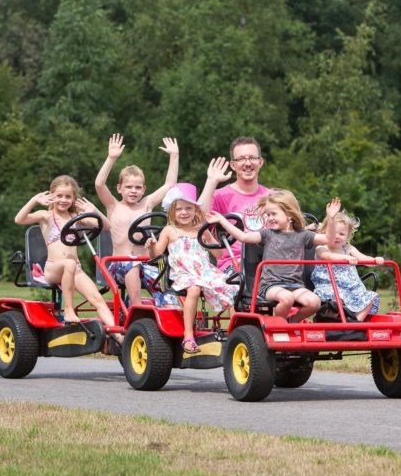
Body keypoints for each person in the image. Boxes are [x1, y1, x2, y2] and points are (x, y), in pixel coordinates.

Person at [14, 175, 122, 343]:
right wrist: (34, 200)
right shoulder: (46, 216)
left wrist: (94, 210)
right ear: (52, 195)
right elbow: (19, 219)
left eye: (68, 196)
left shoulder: (76, 218)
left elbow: (106, 226)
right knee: (69, 263)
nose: (63, 200)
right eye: (59, 196)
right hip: (53, 268)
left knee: (98, 300)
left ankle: (119, 336)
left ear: (73, 198)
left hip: (75, 269)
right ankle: (69, 310)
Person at [208, 190, 338, 322]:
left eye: (274, 214)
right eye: (268, 214)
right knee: (287, 298)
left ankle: (290, 323)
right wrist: (222, 220)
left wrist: (331, 219)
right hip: (271, 285)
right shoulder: (267, 234)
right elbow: (243, 237)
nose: (269, 218)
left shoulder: (303, 235)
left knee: (314, 302)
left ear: (289, 215)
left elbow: (329, 239)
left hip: (295, 285)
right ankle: (278, 325)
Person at [145, 183, 238, 354]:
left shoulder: (200, 230)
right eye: (179, 209)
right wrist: (151, 246)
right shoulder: (169, 231)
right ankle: (188, 336)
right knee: (194, 289)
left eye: (188, 208)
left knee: (232, 287)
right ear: (172, 212)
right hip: (183, 273)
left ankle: (236, 333)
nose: (184, 212)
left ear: (195, 210)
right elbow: (155, 255)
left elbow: (218, 254)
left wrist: (208, 236)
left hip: (205, 271)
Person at [95, 133, 179, 308]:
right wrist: (111, 158)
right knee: (131, 262)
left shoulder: (147, 205)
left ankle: (170, 310)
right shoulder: (113, 206)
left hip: (145, 263)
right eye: (129, 187)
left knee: (165, 276)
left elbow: (170, 184)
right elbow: (99, 184)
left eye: (138, 187)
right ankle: (136, 306)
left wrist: (174, 156)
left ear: (144, 189)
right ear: (119, 188)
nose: (133, 191)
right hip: (119, 265)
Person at [198, 136, 270, 274]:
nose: (247, 163)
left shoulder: (273, 196)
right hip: (234, 265)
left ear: (260, 162)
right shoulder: (219, 196)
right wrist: (211, 181)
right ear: (232, 165)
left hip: (270, 262)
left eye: (252, 158)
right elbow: (198, 220)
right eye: (241, 159)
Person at [310, 206, 384, 321]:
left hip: (351, 288)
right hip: (329, 286)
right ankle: (336, 319)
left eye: (342, 234)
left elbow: (364, 259)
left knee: (370, 298)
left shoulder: (348, 248)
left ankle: (356, 322)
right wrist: (346, 258)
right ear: (325, 233)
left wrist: (375, 260)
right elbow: (329, 257)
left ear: (347, 236)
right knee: (338, 297)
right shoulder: (322, 248)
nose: (337, 237)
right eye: (333, 233)